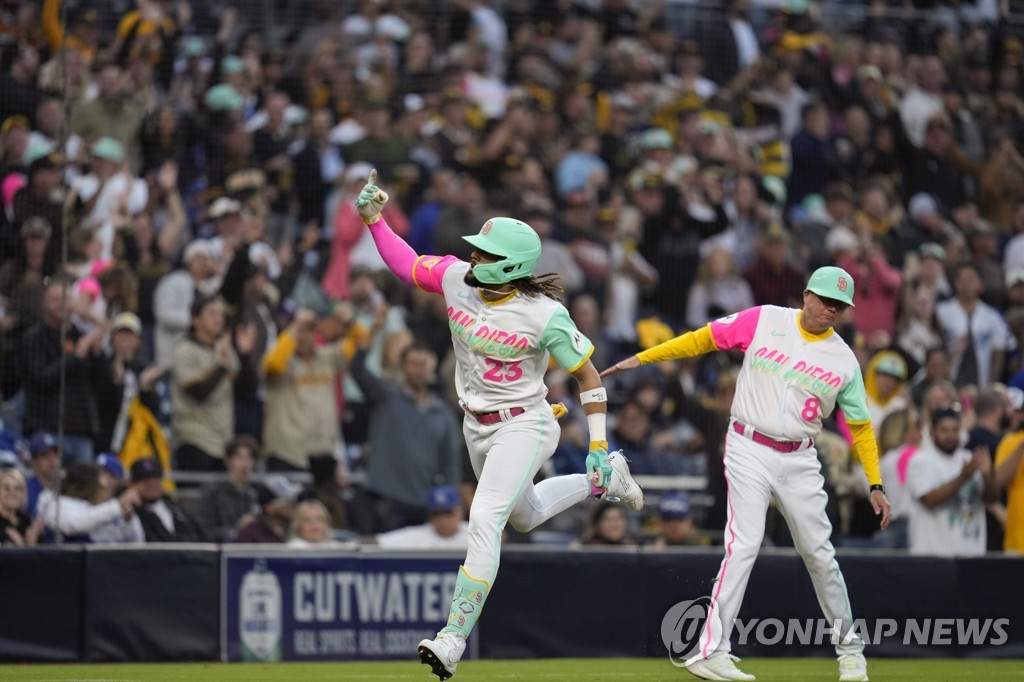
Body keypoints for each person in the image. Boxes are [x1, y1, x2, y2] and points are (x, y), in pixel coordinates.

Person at [356, 169, 642, 680]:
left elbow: (589, 379)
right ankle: (606, 480)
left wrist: (598, 441)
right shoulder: (455, 280)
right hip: (476, 424)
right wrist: (375, 219)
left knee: (485, 516)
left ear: (510, 264)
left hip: (526, 422)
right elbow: (405, 263)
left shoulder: (545, 315)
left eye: (485, 254)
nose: (473, 258)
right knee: (525, 517)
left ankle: (451, 639)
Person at [601, 266, 891, 682]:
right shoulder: (766, 319)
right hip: (747, 445)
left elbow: (860, 427)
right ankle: (711, 650)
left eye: (840, 306)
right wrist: (644, 358)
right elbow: (703, 338)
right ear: (806, 295)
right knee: (743, 545)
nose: (831, 310)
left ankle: (850, 655)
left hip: (800, 457)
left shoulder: (844, 358)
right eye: (826, 300)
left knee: (820, 555)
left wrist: (875, 483)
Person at [906, 408, 998, 557]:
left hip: (972, 553)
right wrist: (964, 475)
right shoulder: (920, 461)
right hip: (933, 555)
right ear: (932, 432)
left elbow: (992, 499)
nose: (950, 436)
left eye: (955, 430)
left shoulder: (969, 458)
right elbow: (929, 500)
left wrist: (987, 475)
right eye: (944, 430)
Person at [36, 461, 143, 544]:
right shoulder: (57, 505)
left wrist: (130, 520)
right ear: (86, 485)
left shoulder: (107, 507)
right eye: (101, 483)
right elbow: (77, 524)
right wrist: (118, 505)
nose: (106, 487)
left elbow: (137, 541)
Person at [195, 436, 260, 542]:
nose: (245, 464)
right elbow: (204, 531)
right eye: (240, 457)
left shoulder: (252, 495)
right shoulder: (213, 493)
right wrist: (236, 530)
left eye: (249, 458)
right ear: (228, 461)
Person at [130, 458, 206, 543]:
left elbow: (199, 535)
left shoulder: (176, 509)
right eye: (145, 480)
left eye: (156, 478)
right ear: (133, 483)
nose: (152, 484)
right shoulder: (130, 513)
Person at [372, 485, 469, 550]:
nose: (442, 519)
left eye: (447, 513)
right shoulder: (418, 535)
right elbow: (379, 541)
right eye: (436, 514)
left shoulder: (475, 534)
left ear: (460, 512)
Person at [0, 468, 40, 546]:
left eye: (17, 489)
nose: (12, 493)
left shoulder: (28, 522)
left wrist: (32, 544)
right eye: (6, 488)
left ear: (23, 494)